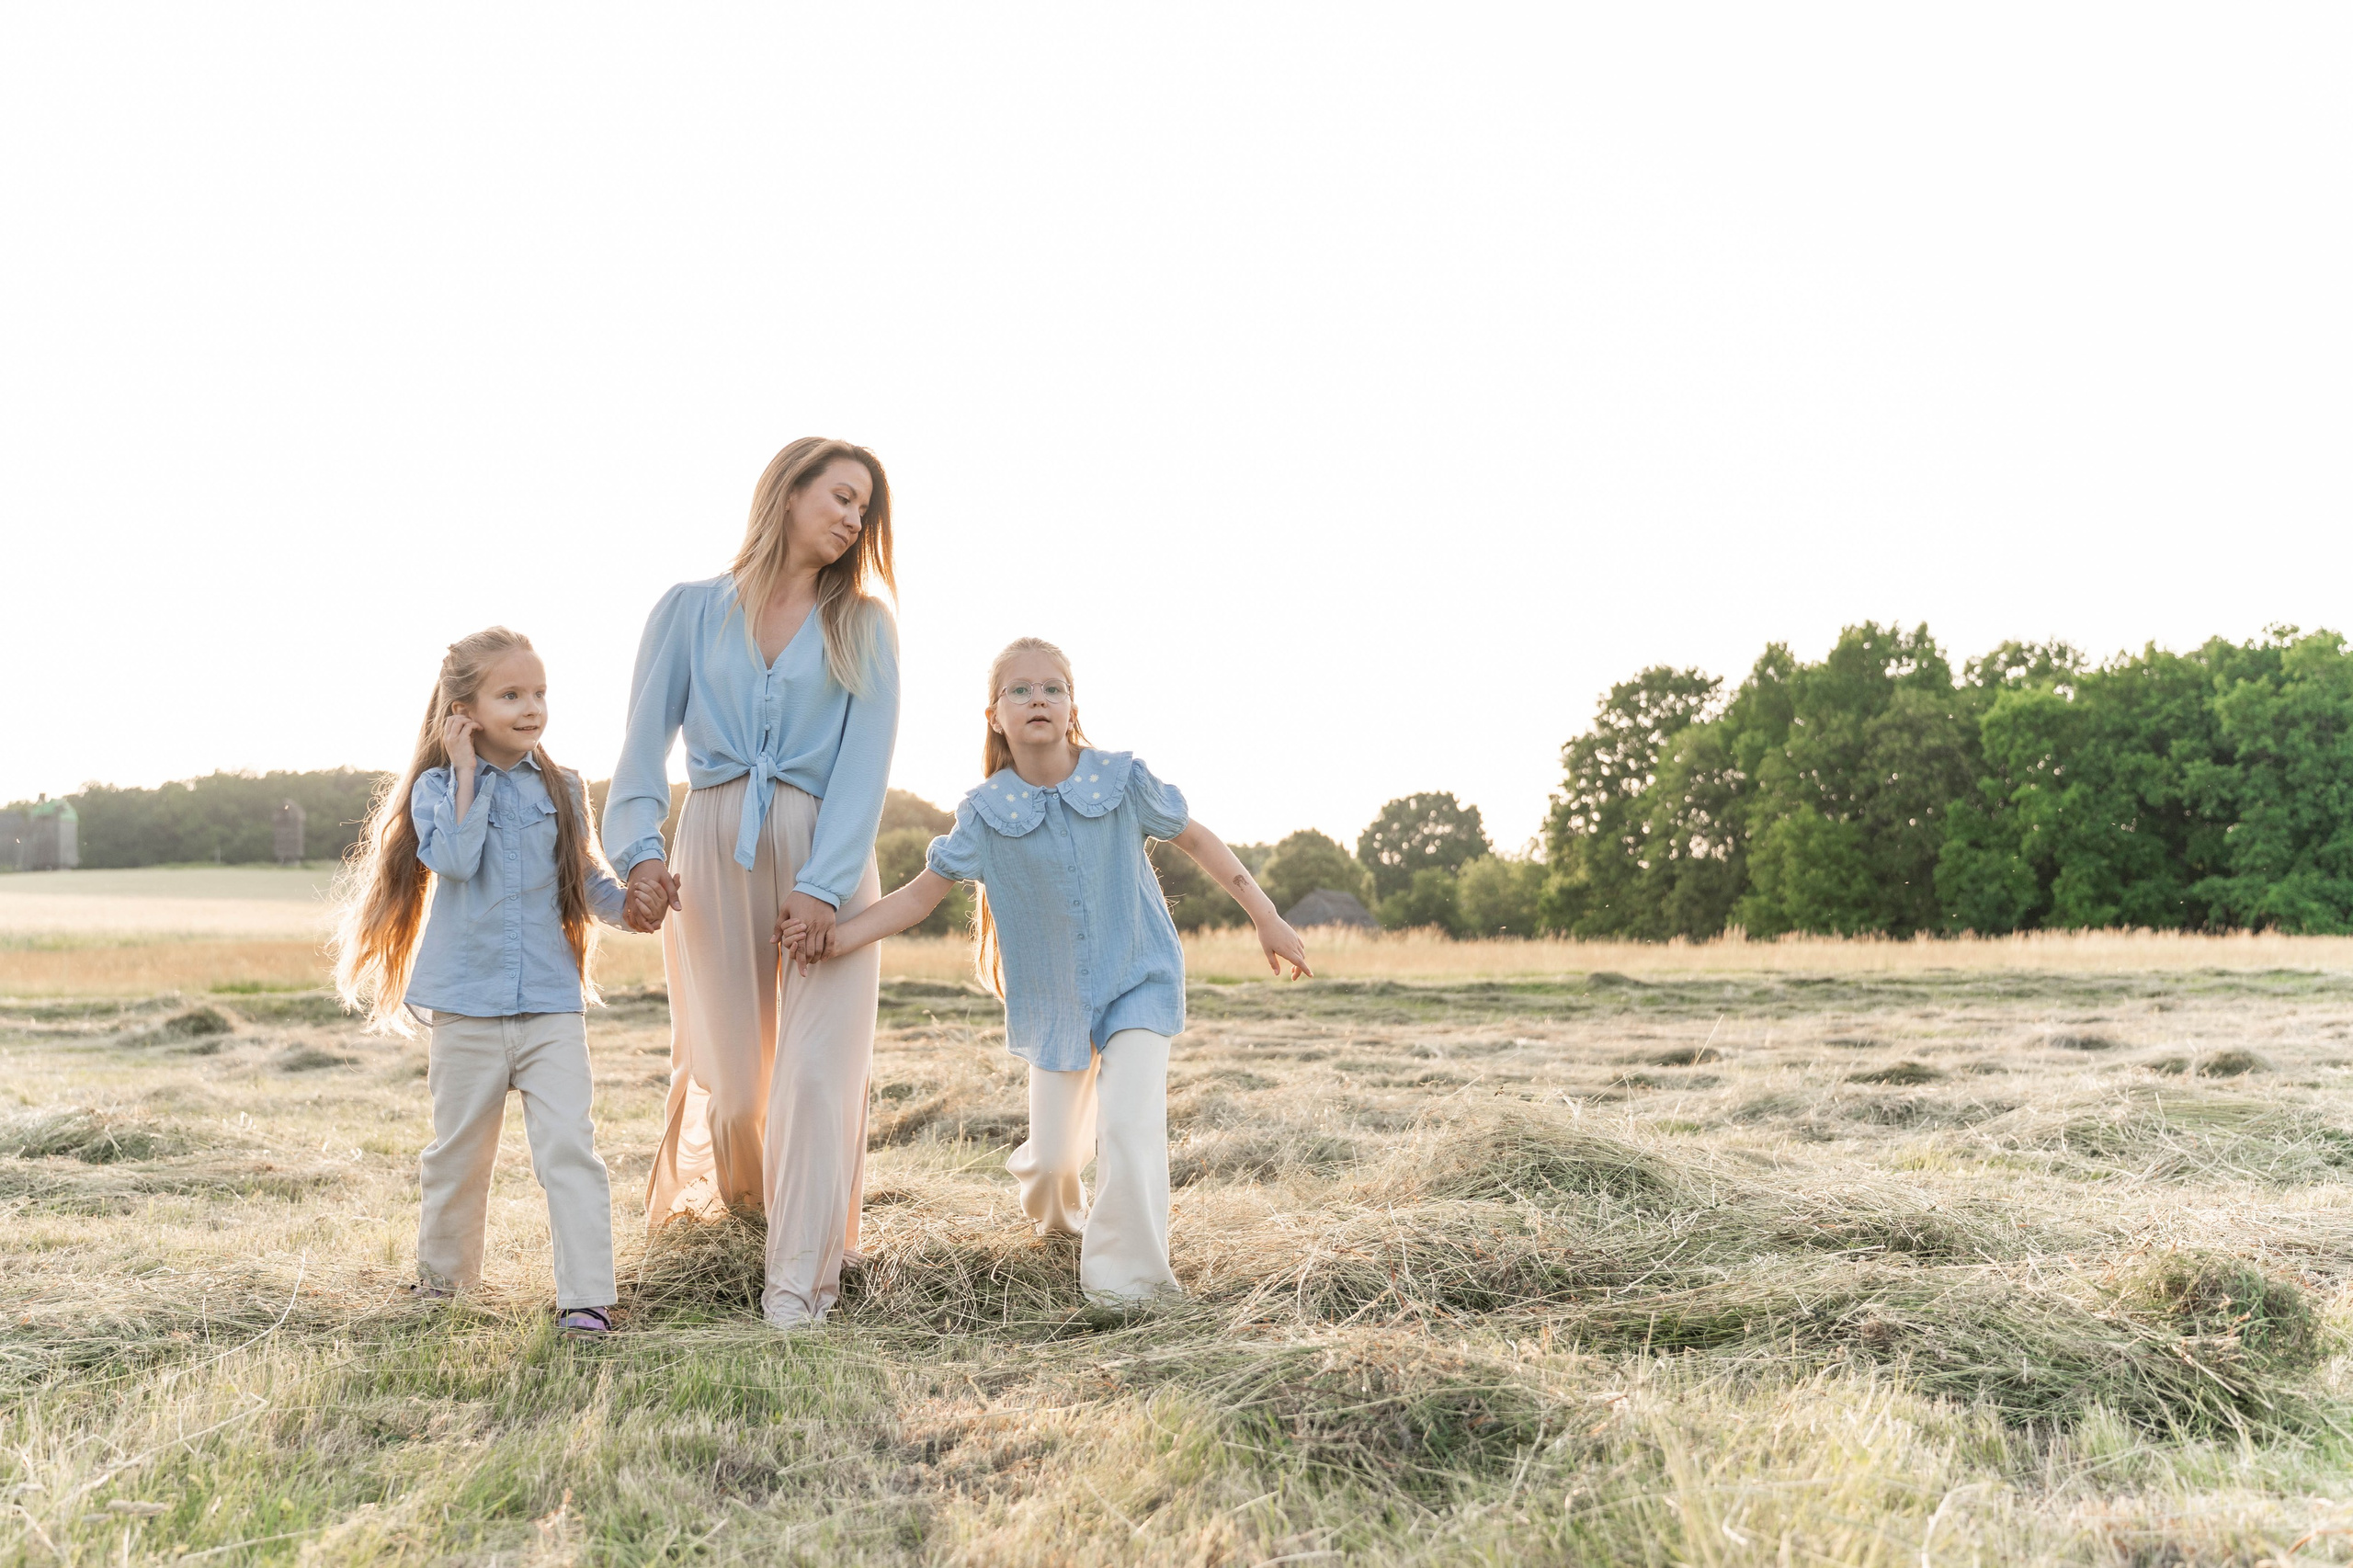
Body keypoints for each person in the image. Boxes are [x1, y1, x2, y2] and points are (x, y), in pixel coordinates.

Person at [780, 636, 1312, 1302]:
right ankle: (1058, 1214)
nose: (1039, 699)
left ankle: (1130, 1289)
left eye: (1053, 688)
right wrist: (837, 939)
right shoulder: (984, 813)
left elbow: (1197, 838)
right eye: (1021, 690)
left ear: (1072, 708)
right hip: (1055, 1001)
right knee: (1057, 1162)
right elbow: (918, 898)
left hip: (1139, 978)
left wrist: (1266, 915)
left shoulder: (1121, 780)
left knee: (1129, 1126)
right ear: (995, 716)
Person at [603, 437, 899, 1329]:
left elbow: (865, 769)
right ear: (787, 490)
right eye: (841, 497)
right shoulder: (689, 611)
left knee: (814, 1081)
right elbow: (640, 744)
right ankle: (749, 1229)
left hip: (826, 854)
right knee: (735, 1092)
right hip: (712, 847)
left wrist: (824, 885)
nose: (853, 520)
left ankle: (796, 1288)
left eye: (865, 511)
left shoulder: (864, 625)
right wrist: (638, 854)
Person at [331, 626, 630, 1334]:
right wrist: (465, 771)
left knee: (570, 1150)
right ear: (463, 711)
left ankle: (586, 1299)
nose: (532, 708)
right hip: (467, 1008)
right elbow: (457, 862)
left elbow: (587, 881)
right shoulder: (436, 789)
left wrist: (636, 905)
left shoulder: (564, 786)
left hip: (550, 1005)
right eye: (512, 695)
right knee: (458, 1156)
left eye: (540, 693)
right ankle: (444, 1290)